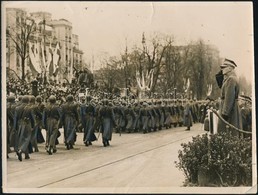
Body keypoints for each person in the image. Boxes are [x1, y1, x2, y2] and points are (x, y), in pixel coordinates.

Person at [217, 58, 242, 137]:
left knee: (228, 132)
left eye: (224, 67)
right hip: (232, 108)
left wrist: (225, 113)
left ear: (230, 68)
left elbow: (229, 98)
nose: (222, 70)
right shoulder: (229, 79)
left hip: (229, 111)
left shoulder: (230, 79)